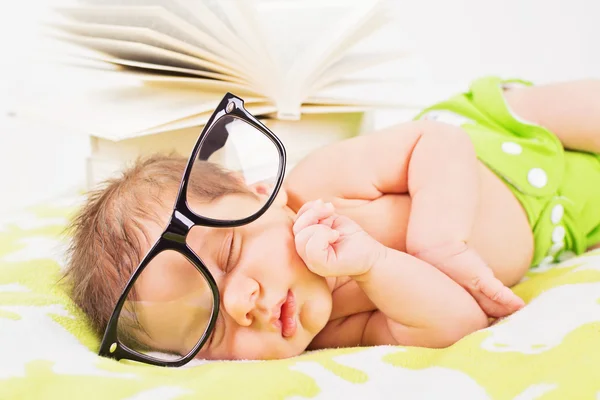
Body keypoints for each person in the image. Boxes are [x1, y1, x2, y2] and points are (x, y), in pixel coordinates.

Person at [64, 76, 600, 363]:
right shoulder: (332, 332)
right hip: (566, 227)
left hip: (508, 136)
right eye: (210, 329)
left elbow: (436, 141)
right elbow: (458, 324)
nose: (240, 305)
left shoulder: (318, 186)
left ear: (262, 196)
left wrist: (438, 237)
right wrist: (376, 268)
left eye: (227, 255)